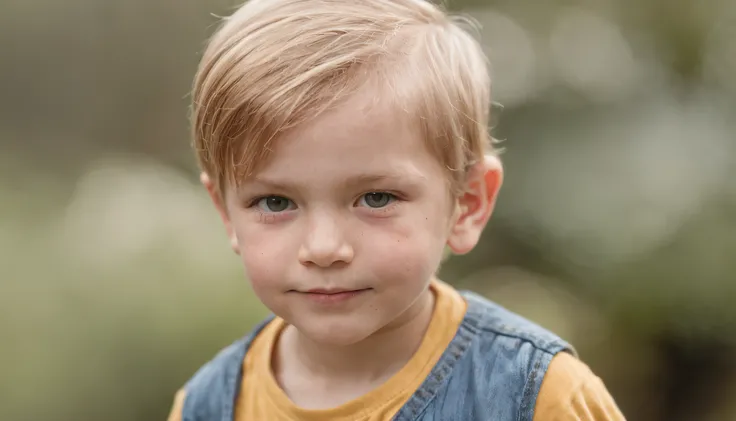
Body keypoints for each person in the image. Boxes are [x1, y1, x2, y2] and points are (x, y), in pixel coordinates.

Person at [167, 0, 625, 419]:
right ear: (227, 213)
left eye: (376, 198)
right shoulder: (207, 406)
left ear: (467, 203)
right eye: (275, 202)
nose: (325, 248)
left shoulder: (537, 397)